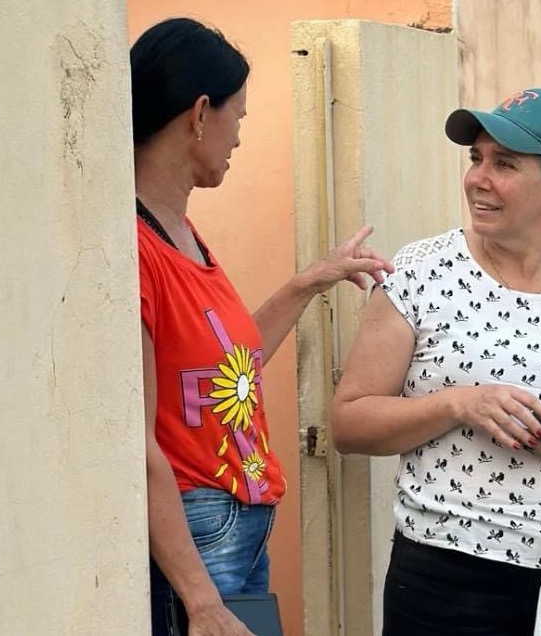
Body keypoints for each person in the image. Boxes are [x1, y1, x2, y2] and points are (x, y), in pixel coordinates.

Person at [329, 87, 541, 635]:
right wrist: (459, 403)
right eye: (476, 159)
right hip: (444, 581)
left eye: (504, 164)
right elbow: (349, 424)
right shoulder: (422, 273)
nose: (477, 178)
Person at [131, 18, 393, 636]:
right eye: (238, 117)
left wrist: (311, 280)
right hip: (196, 536)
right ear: (200, 113)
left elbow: (228, 368)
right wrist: (198, 599)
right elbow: (137, 446)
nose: (238, 138)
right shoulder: (135, 250)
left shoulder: (182, 232)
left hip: (239, 525)